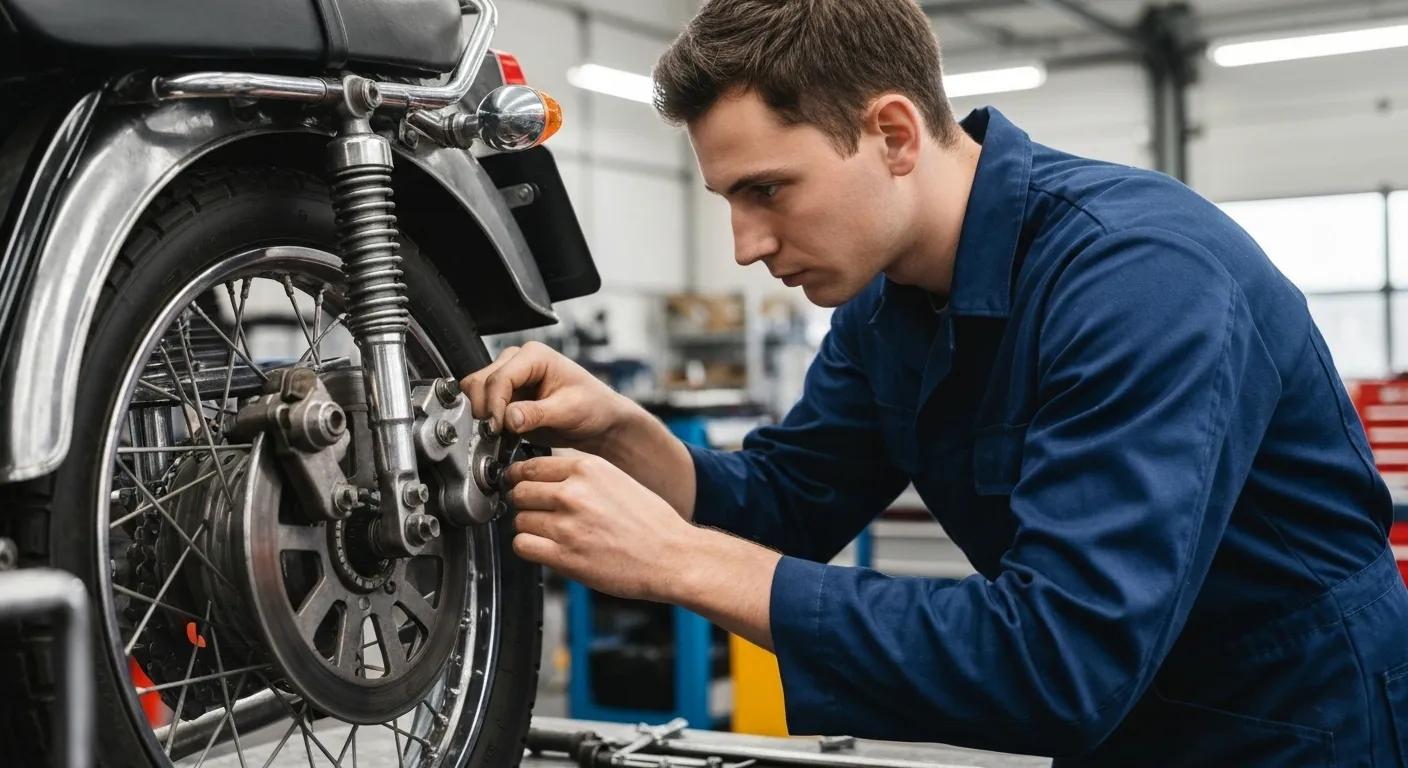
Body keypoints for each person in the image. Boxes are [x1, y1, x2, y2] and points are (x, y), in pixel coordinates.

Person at [462, 0, 1408, 764]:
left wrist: (680, 560)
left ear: (895, 134)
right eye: (728, 200)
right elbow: (788, 503)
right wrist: (622, 430)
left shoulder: (1141, 279)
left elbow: (1061, 659)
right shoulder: (889, 307)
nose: (745, 247)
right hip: (1135, 719)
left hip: (1302, 720)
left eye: (768, 191)